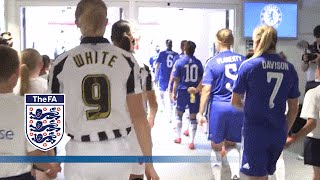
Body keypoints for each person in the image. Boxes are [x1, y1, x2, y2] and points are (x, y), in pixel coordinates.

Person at [48, 0, 158, 179]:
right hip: (117, 150)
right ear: (106, 23)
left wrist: (49, 157)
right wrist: (149, 163)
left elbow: (50, 115)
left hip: (79, 151)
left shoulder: (61, 63)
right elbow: (139, 116)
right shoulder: (127, 60)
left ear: (77, 23)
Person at [231, 25, 300, 180]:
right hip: (278, 131)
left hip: (255, 131)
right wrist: (284, 130)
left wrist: (250, 108)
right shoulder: (289, 68)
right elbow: (294, 108)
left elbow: (235, 101)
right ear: (275, 43)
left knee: (255, 176)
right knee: (265, 174)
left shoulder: (249, 66)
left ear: (256, 42)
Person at [0, 45, 61, 179]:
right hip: (18, 175)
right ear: (16, 75)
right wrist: (51, 166)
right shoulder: (26, 108)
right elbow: (34, 153)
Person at [197, 29, 245, 180]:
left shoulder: (212, 62)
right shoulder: (243, 60)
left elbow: (206, 90)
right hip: (238, 106)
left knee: (216, 146)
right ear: (232, 42)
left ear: (217, 42)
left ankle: (218, 178)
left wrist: (200, 112)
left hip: (219, 107)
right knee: (231, 144)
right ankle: (236, 174)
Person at [111, 19, 158, 129]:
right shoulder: (142, 66)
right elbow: (152, 101)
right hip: (136, 125)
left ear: (112, 39)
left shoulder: (103, 64)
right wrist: (151, 119)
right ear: (132, 39)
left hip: (111, 127)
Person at [286, 65, 320, 180]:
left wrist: (294, 138)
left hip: (316, 140)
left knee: (317, 175)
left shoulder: (314, 93)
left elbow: (312, 123)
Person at [171, 41, 204, 149]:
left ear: (184, 49)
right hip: (194, 92)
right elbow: (201, 80)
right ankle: (192, 141)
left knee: (179, 114)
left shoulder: (179, 62)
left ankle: (178, 137)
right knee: (193, 116)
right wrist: (197, 89)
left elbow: (176, 80)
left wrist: (173, 92)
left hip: (183, 91)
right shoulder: (198, 63)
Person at [154, 39, 178, 119]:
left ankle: (164, 110)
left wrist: (155, 76)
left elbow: (157, 65)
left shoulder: (162, 53)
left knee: (161, 94)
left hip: (163, 76)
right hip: (172, 76)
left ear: (166, 44)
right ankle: (171, 112)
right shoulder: (176, 54)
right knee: (171, 94)